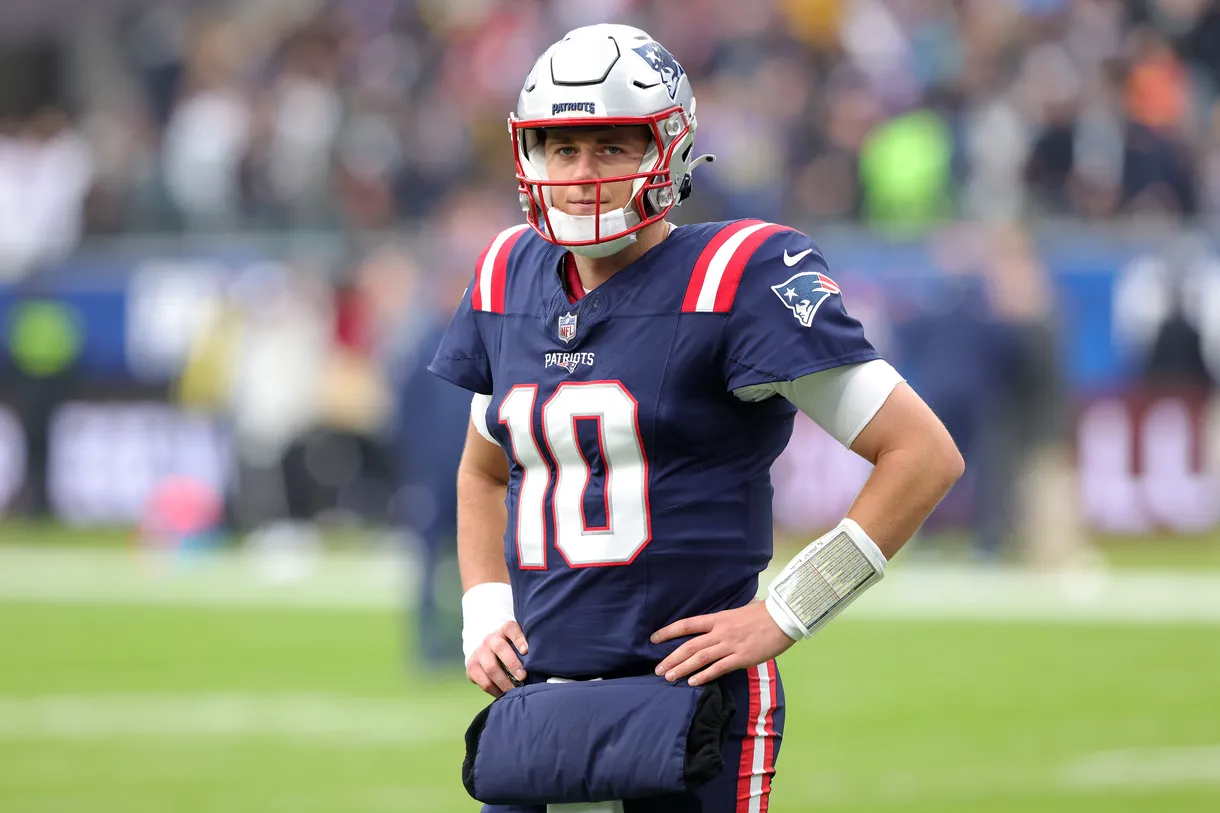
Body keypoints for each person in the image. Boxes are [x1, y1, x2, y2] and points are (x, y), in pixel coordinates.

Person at [428, 24, 964, 813]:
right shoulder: (509, 271)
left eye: (612, 147)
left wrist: (787, 609)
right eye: (562, 148)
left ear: (669, 149)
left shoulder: (736, 276)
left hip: (688, 703)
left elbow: (922, 454)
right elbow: (483, 464)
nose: (583, 176)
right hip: (541, 705)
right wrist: (484, 607)